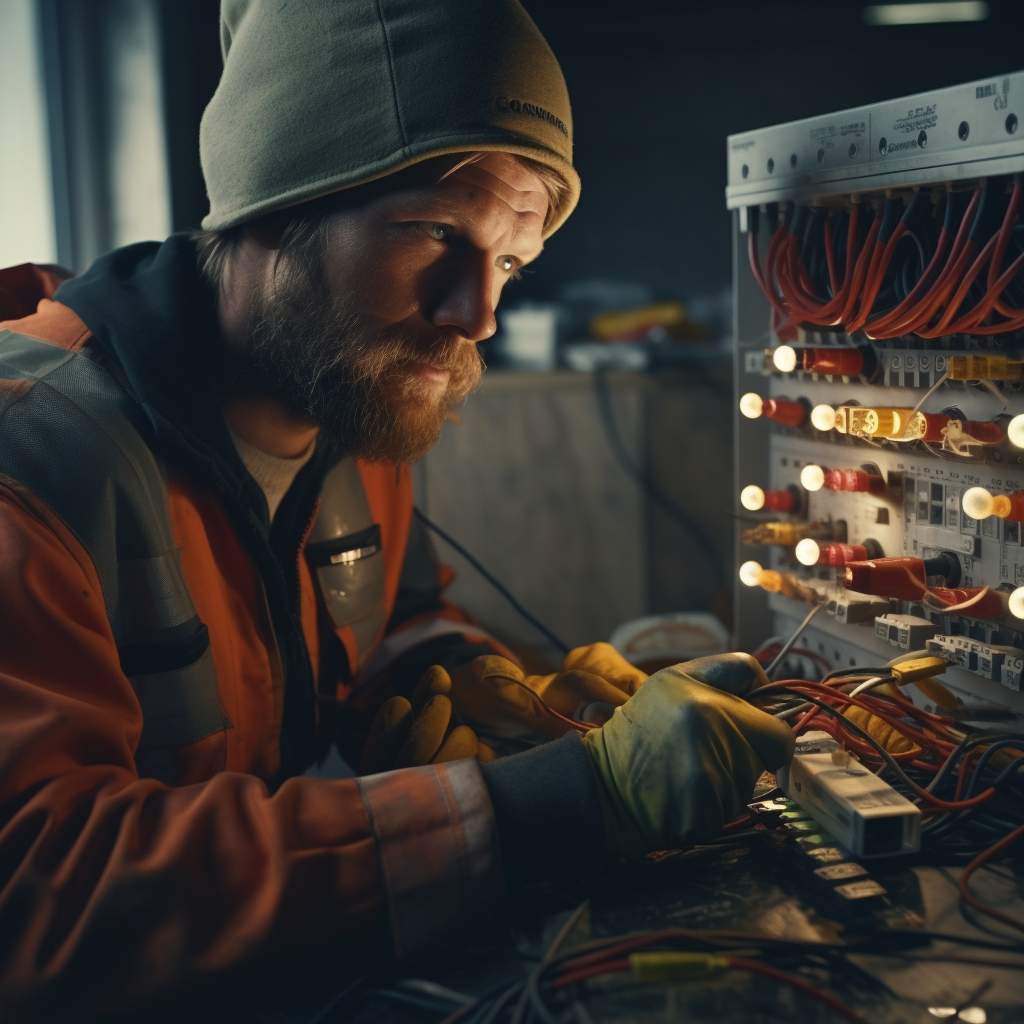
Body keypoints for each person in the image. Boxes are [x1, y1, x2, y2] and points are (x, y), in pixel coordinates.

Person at [0, 1, 794, 1020]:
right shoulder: (33, 461)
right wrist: (549, 806)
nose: (478, 315)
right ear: (271, 208)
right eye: (432, 233)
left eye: (511, 261)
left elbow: (386, 622)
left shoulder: (347, 399)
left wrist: (457, 675)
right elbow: (37, 903)